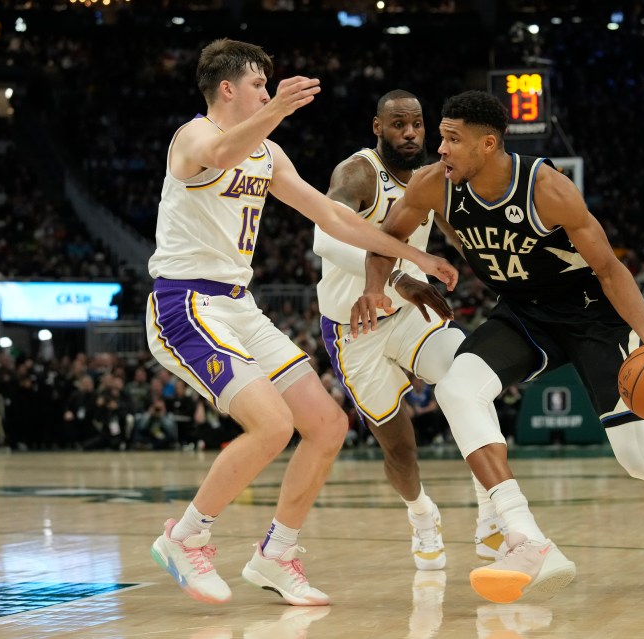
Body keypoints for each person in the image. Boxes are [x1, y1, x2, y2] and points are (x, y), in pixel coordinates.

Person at [351, 90, 644, 603]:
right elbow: (382, 239)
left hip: (594, 318)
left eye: (452, 139)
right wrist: (383, 283)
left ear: (488, 145)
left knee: (639, 458)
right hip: (523, 313)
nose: (440, 148)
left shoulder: (547, 188)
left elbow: (611, 269)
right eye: (441, 136)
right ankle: (525, 536)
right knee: (458, 388)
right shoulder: (433, 185)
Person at [145, 39, 457, 607]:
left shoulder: (267, 153)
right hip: (185, 303)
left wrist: (413, 257)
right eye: (259, 84)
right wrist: (276, 110)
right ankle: (185, 537)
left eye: (270, 86)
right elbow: (216, 155)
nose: (268, 90)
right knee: (270, 426)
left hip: (239, 305)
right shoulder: (191, 137)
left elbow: (332, 216)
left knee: (327, 425)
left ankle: (276, 554)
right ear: (227, 89)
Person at [313, 90, 506, 570]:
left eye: (418, 124)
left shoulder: (432, 178)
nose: (411, 134)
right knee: (399, 448)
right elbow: (323, 237)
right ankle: (422, 516)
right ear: (377, 128)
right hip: (353, 327)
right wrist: (399, 276)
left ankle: (491, 513)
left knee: (469, 379)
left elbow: (461, 236)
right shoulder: (356, 174)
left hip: (408, 314)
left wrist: (505, 279)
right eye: (399, 125)